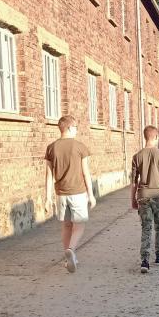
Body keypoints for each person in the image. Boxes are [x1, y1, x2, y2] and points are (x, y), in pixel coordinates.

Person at [44, 115, 96, 272]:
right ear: (70, 128)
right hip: (78, 192)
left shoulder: (51, 148)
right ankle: (71, 250)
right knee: (79, 226)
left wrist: (47, 198)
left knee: (66, 225)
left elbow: (48, 175)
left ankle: (68, 259)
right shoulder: (79, 147)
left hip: (60, 193)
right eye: (76, 128)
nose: (77, 130)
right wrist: (91, 195)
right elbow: (86, 173)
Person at [131, 125, 159, 273]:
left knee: (146, 227)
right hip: (158, 196)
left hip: (143, 196)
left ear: (145, 137)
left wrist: (133, 199)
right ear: (156, 137)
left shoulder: (137, 156)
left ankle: (144, 260)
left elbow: (134, 182)